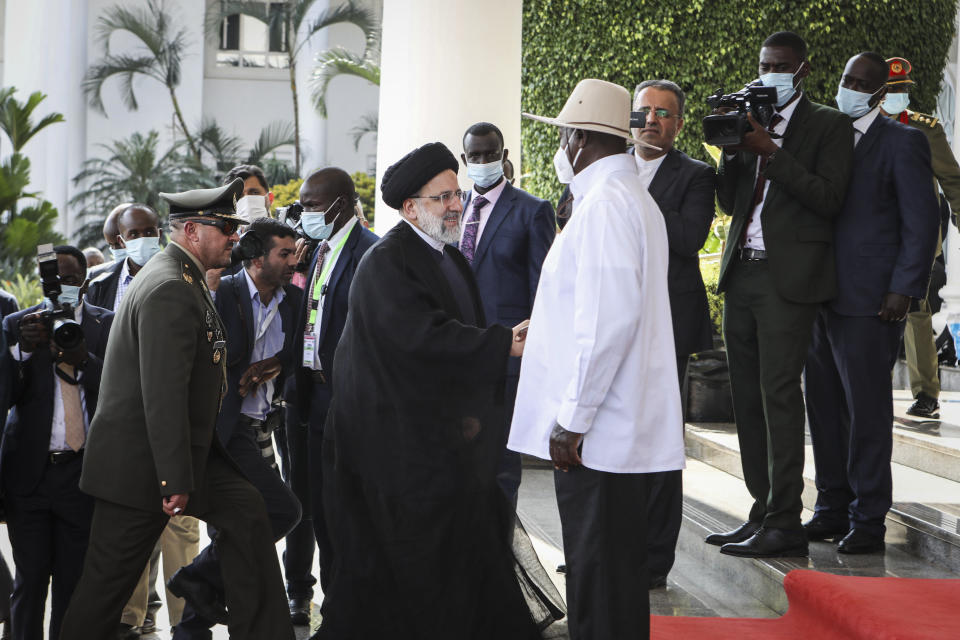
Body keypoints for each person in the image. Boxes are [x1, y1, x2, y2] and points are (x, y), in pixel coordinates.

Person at [315, 142, 562, 639]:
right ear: (410, 208)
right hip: (395, 456)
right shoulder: (388, 261)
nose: (455, 205)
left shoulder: (447, 256)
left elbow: (454, 331)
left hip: (443, 448)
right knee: (406, 577)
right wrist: (500, 343)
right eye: (441, 197)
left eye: (457, 193)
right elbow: (419, 339)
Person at [59, 179, 294, 640]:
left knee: (251, 511)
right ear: (191, 230)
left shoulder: (185, 275)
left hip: (182, 452)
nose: (234, 237)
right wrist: (174, 481)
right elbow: (162, 393)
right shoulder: (170, 285)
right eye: (224, 227)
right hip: (141, 467)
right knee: (105, 588)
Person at [509, 78, 684, 640]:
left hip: (597, 435)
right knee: (608, 573)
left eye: (563, 136)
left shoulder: (608, 204)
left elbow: (609, 322)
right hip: (608, 431)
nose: (560, 147)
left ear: (580, 140)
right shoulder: (622, 198)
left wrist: (573, 418)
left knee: (600, 574)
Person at [707, 31, 854, 558]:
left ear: (803, 70)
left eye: (782, 66)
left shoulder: (829, 126)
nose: (771, 72)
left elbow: (830, 198)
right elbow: (729, 202)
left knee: (778, 396)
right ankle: (762, 508)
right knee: (744, 399)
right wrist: (732, 149)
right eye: (765, 64)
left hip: (788, 278)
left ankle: (786, 520)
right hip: (740, 273)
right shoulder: (750, 118)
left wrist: (773, 151)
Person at [803, 52, 940, 554]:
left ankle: (868, 519)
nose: (851, 88)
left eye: (863, 83)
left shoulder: (903, 142)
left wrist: (904, 288)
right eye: (846, 78)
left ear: (881, 93)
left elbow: (921, 222)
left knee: (866, 413)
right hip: (816, 295)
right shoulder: (821, 135)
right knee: (822, 408)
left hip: (870, 301)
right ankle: (830, 507)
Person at [172, 217, 303, 638]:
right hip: (227, 430)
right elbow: (200, 352)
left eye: (293, 253)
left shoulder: (294, 301)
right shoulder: (222, 292)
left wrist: (278, 363)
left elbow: (301, 349)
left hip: (265, 426)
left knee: (244, 523)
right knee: (280, 510)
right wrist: (239, 369)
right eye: (283, 254)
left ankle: (194, 608)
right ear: (256, 256)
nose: (291, 261)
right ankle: (200, 586)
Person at [84, 201, 198, 638]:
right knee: (127, 534)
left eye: (153, 229)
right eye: (137, 233)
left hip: (172, 425)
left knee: (180, 532)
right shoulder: (98, 285)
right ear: (118, 241)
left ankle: (189, 622)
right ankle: (128, 621)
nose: (148, 237)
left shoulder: (183, 277)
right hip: (119, 430)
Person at [1, 246, 113, 640]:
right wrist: (23, 350)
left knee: (73, 581)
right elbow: (6, 397)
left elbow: (120, 393)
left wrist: (84, 359)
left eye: (69, 279)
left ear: (85, 280)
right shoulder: (18, 324)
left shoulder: (106, 324)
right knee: (30, 582)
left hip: (82, 475)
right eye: (53, 280)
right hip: (29, 477)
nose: (61, 288)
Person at [630, 78, 716, 587]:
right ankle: (606, 544)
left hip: (669, 323)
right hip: (616, 319)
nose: (652, 121)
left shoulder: (695, 175)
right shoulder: (607, 165)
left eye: (664, 114)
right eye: (645, 112)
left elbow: (687, 237)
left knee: (660, 439)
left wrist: (631, 196)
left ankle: (653, 559)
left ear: (679, 124)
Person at [289, 168, 378, 615]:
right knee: (320, 513)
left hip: (351, 402)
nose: (304, 214)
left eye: (311, 205)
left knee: (348, 515)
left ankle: (352, 612)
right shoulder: (318, 252)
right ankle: (335, 608)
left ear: (341, 205)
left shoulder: (370, 252)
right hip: (314, 398)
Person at [459, 121, 555, 505]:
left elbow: (542, 295)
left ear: (504, 156)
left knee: (500, 467)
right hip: (459, 354)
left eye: (491, 154)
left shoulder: (532, 211)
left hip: (508, 361)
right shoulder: (455, 209)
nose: (483, 161)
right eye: (475, 156)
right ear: (465, 159)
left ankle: (501, 554)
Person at [880, 56, 960, 419]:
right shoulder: (859, 127)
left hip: (916, 234)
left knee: (916, 307)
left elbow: (952, 179)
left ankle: (926, 393)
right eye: (891, 90)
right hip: (874, 232)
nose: (897, 95)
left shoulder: (925, 129)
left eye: (902, 90)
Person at [86, 203, 162, 311]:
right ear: (121, 241)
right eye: (134, 234)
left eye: (149, 232)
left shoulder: (178, 274)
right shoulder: (99, 285)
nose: (143, 239)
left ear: (160, 235)